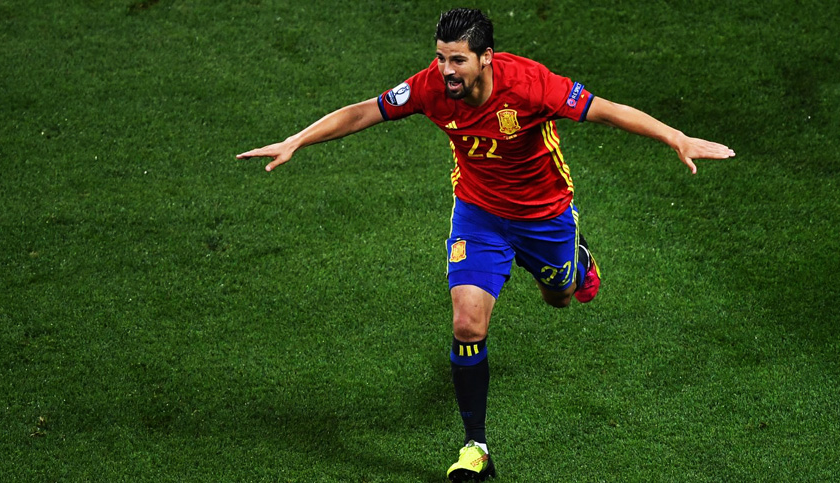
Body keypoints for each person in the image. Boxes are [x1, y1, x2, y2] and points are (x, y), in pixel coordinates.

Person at [237, 8, 734, 482]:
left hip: (545, 216)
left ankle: (576, 261)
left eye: (457, 59)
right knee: (466, 322)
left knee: (558, 298)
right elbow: (365, 111)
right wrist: (297, 140)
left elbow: (607, 111)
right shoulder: (431, 87)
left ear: (485, 57)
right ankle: (476, 447)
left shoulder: (531, 84)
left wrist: (676, 138)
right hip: (478, 215)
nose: (445, 69)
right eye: (440, 56)